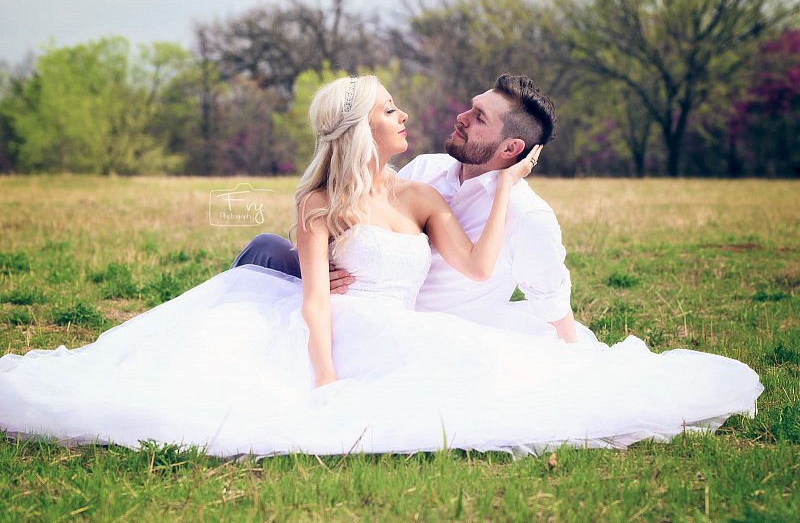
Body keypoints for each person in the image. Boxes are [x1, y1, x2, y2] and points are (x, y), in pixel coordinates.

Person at [0, 76, 762, 457]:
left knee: (501, 392)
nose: (442, 118)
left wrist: (507, 192)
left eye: (479, 119)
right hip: (341, 314)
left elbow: (489, 271)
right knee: (254, 280)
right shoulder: (403, 177)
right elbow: (324, 268)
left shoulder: (487, 201)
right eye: (393, 110)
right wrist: (323, 360)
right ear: (366, 129)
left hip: (409, 325)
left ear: (506, 148)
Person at [232, 74, 584, 343]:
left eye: (479, 117)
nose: (461, 116)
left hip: (431, 337)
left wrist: (579, 365)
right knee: (266, 249)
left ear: (511, 148)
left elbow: (553, 304)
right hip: (351, 307)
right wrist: (321, 266)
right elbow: (361, 222)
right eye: (470, 106)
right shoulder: (426, 170)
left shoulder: (527, 216)